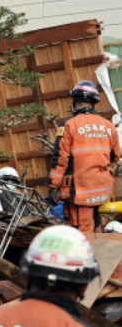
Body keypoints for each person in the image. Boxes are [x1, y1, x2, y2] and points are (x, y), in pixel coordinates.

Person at [49, 80, 121, 233]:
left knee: (81, 231)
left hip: (79, 190)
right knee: (96, 225)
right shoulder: (108, 125)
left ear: (75, 102)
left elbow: (59, 159)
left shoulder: (68, 125)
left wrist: (52, 185)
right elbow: (116, 156)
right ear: (93, 103)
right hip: (102, 189)